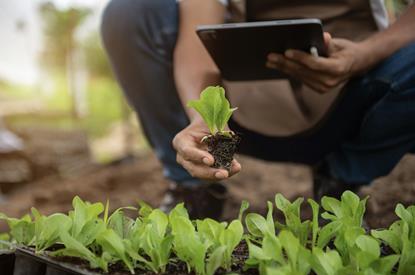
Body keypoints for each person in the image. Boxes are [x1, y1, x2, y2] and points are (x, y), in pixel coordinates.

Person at [101, 0, 415, 219]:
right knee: (131, 11)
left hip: (357, 103)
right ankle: (194, 188)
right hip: (243, 115)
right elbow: (196, 29)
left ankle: (344, 180)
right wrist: (202, 118)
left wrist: (363, 55)